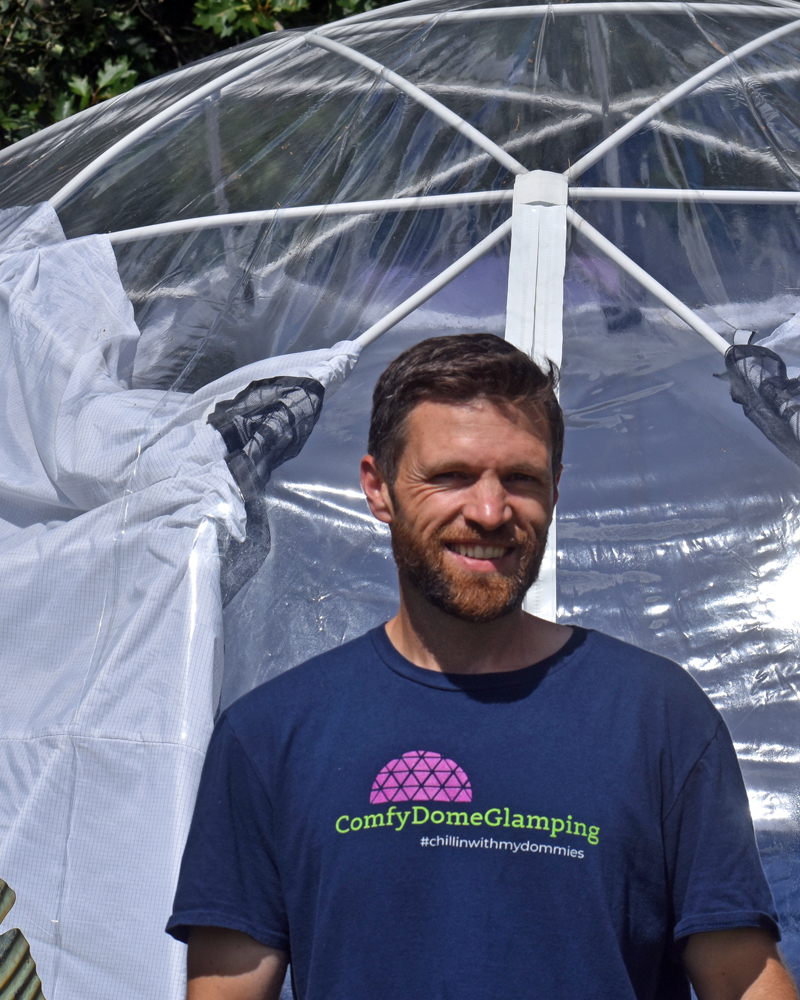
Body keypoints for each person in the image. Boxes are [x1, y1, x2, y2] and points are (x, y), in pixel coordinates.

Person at [167, 333, 797, 1000]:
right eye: (451, 477)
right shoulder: (270, 737)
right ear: (378, 488)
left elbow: (742, 975)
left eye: (520, 479)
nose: (489, 511)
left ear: (555, 488)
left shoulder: (658, 717)